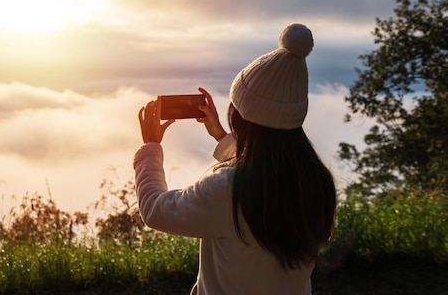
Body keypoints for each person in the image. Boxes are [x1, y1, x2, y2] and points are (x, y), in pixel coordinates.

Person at [134, 23, 336, 295]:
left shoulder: (227, 188)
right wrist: (221, 137)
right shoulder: (315, 181)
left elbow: (154, 210)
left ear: (240, 117)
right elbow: (264, 163)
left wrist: (150, 148)